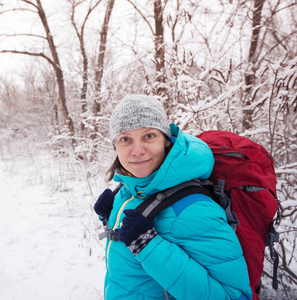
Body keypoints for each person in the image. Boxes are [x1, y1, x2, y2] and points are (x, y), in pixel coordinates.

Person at [94, 94, 252, 300]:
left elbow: (235, 296)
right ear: (115, 147)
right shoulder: (130, 191)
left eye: (148, 136)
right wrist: (111, 218)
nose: (137, 150)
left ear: (166, 141)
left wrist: (149, 247)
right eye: (125, 139)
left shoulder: (193, 209)